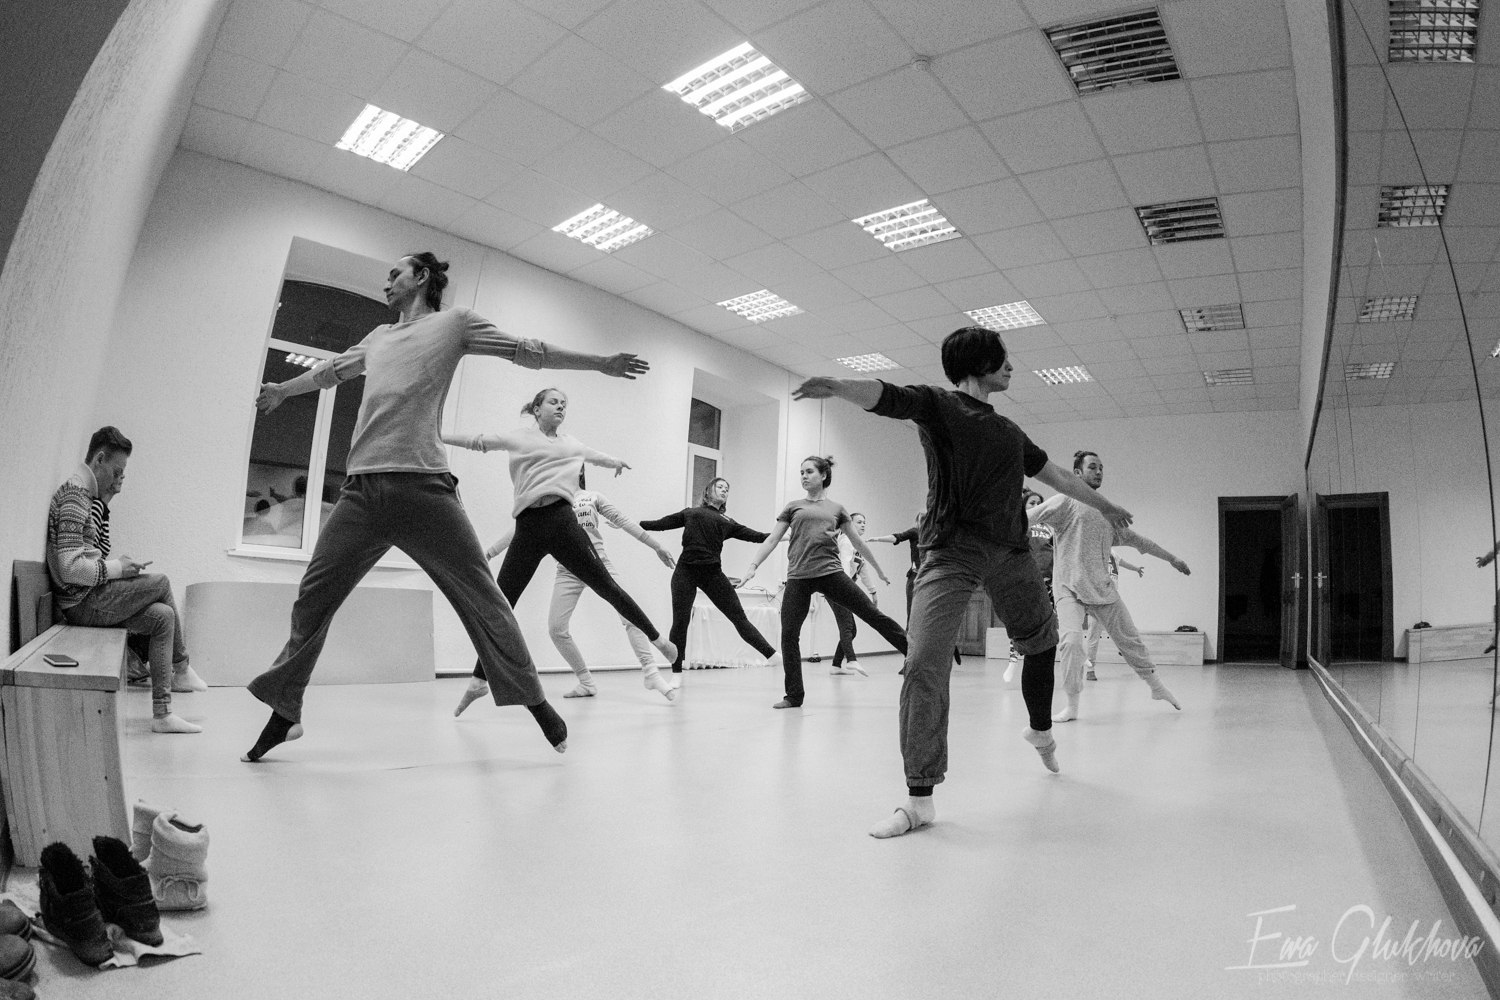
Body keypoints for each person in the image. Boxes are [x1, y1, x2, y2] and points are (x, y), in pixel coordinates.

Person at [243, 252, 651, 762]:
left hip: (425, 491)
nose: (387, 282)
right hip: (362, 492)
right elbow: (329, 372)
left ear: (421, 278)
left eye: (395, 274)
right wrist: (283, 390)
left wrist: (601, 363)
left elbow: (528, 351)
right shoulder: (378, 337)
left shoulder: (454, 324)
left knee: (483, 598)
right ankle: (285, 712)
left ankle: (535, 701)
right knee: (312, 599)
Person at [792, 326, 1133, 839]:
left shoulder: (1010, 431)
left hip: (1010, 552)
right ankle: (919, 799)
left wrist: (1106, 506)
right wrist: (839, 387)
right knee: (923, 662)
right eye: (1003, 359)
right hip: (950, 551)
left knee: (1042, 641)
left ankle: (1040, 730)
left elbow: (1060, 477)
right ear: (979, 364)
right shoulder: (940, 406)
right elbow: (888, 396)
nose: (1011, 367)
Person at [445, 387, 678, 717]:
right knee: (501, 603)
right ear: (536, 409)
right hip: (528, 526)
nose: (560, 407)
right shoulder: (519, 438)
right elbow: (478, 441)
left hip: (562, 524)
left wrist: (614, 462)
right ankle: (479, 679)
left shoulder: (571, 445)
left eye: (564, 404)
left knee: (609, 588)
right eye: (553, 402)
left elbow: (595, 456)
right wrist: (437, 436)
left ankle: (659, 642)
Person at [46, 427, 206, 735]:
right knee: (161, 582)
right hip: (82, 602)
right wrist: (119, 568)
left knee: (164, 616)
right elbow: (70, 569)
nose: (118, 478)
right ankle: (182, 668)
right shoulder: (75, 496)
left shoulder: (85, 496)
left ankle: (162, 714)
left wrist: (116, 565)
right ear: (100, 459)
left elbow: (90, 555)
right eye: (117, 471)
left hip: (87, 597)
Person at [482, 468, 679, 702]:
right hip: (567, 571)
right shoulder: (550, 503)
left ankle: (651, 673)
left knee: (629, 615)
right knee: (556, 629)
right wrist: (490, 553)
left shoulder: (592, 497)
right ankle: (586, 681)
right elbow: (519, 531)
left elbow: (623, 520)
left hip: (599, 564)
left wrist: (657, 546)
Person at [1030, 450, 1190, 724]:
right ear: (1077, 473)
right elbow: (1030, 516)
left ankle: (1156, 687)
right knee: (1071, 643)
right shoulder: (1065, 502)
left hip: (1101, 589)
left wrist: (1172, 558)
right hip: (1068, 588)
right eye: (1092, 467)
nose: (1099, 472)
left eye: (1101, 468)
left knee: (1130, 640)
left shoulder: (1108, 513)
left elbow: (1140, 541)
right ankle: (1072, 705)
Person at [737, 457, 907, 709]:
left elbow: (858, 543)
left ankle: (916, 654)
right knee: (789, 635)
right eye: (801, 472)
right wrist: (753, 567)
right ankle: (794, 695)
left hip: (831, 574)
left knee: (872, 615)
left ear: (824, 475)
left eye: (809, 472)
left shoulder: (837, 509)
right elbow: (772, 539)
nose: (804, 476)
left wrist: (879, 571)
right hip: (798, 577)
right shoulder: (793, 507)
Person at [639, 477, 779, 674]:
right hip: (685, 572)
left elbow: (757, 536)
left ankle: (772, 656)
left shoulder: (727, 522)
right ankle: (676, 673)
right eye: (719, 487)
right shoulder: (691, 513)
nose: (724, 490)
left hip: (712, 574)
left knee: (739, 618)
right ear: (707, 492)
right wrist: (631, 524)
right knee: (680, 622)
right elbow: (660, 524)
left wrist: (783, 536)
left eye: (727, 489)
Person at [828, 512, 880, 677]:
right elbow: (843, 564)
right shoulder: (845, 540)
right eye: (859, 522)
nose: (863, 525)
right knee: (847, 626)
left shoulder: (858, 545)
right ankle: (851, 660)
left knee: (852, 630)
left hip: (843, 588)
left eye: (864, 522)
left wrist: (873, 591)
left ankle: (836, 665)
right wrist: (843, 588)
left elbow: (863, 570)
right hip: (837, 588)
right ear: (850, 524)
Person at [1082, 554, 1144, 680]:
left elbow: (1124, 563)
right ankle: (1090, 670)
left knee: (1124, 629)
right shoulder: (1094, 551)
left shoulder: (1114, 553)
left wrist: (1136, 568)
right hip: (1097, 601)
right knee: (1093, 635)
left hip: (1112, 600)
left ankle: (1130, 656)